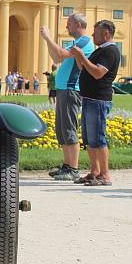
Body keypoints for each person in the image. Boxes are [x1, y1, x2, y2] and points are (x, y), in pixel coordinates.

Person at [40, 12, 95, 181]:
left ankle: (73, 168)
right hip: (64, 89)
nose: (67, 27)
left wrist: (48, 37)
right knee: (62, 129)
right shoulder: (76, 42)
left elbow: (61, 55)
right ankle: (67, 165)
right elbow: (56, 56)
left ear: (78, 25)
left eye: (69, 24)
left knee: (69, 128)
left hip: (72, 89)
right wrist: (47, 41)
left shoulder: (84, 41)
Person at [70, 20, 120, 186]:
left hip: (99, 99)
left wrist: (82, 56)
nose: (93, 35)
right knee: (89, 138)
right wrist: (79, 57)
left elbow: (98, 73)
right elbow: (86, 68)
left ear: (106, 34)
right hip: (90, 98)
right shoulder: (101, 51)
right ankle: (95, 171)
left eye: (96, 33)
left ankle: (105, 174)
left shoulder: (111, 51)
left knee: (98, 138)